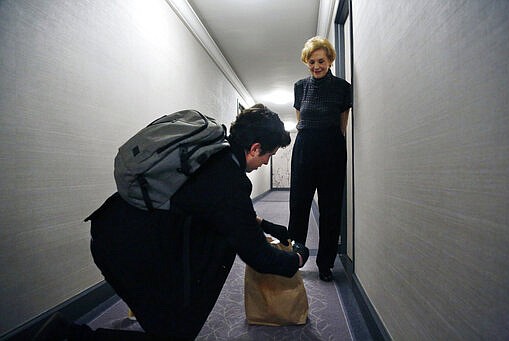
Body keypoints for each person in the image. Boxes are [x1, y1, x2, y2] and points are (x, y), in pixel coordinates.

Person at [33, 104, 310, 341]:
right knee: (174, 334)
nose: (266, 163)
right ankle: (66, 335)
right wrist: (296, 259)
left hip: (120, 232)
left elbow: (228, 215)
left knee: (171, 324)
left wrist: (268, 227)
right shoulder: (228, 179)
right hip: (126, 249)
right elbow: (257, 255)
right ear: (255, 148)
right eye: (269, 155)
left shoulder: (215, 157)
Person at [288, 36, 352, 282]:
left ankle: (325, 264)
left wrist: (333, 143)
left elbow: (342, 125)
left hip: (332, 147)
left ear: (330, 60)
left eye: (321, 61)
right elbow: (300, 119)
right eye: (312, 62)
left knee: (330, 207)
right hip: (305, 146)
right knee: (299, 204)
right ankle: (295, 258)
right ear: (307, 62)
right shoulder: (299, 86)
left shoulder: (342, 88)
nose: (316, 66)